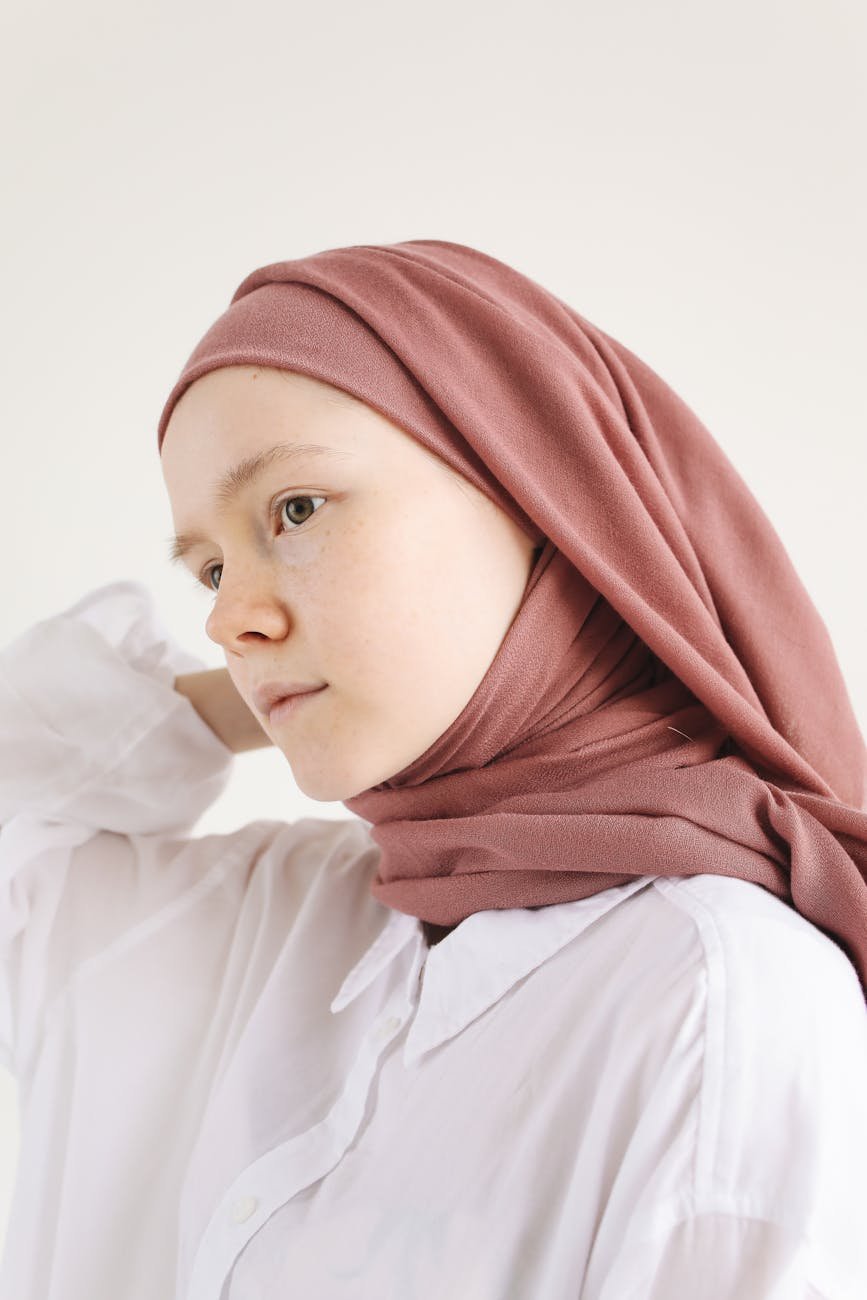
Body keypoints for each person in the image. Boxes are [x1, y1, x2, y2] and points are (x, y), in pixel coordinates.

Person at [1, 238, 865, 1299]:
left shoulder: (716, 1000)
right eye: (212, 569)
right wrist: (275, 685)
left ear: (547, 496)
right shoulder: (277, 917)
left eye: (297, 509)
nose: (227, 617)